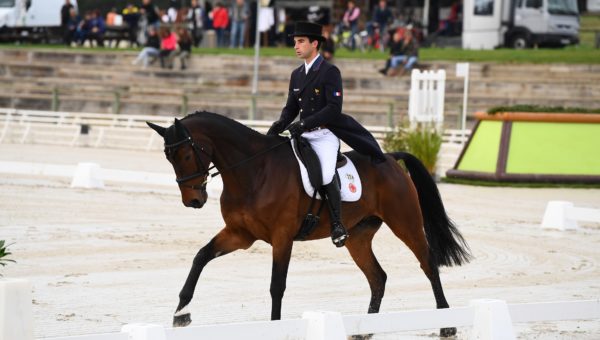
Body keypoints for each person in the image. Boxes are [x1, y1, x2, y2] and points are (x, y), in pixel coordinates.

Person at [266, 22, 386, 248]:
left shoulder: (330, 72)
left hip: (325, 134)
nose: (296, 46)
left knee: (324, 174)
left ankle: (338, 224)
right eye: (295, 42)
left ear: (314, 43)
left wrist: (304, 123)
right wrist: (280, 124)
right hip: (302, 134)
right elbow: (291, 107)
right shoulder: (297, 74)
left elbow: (333, 108)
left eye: (301, 41)